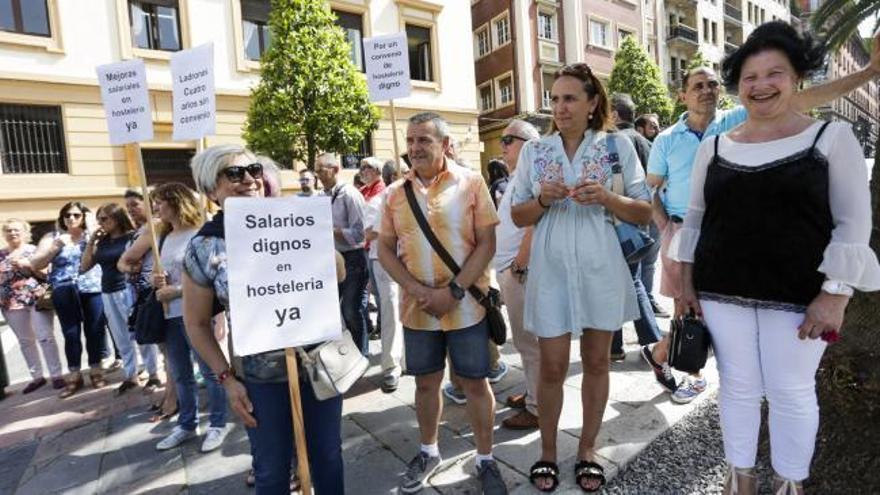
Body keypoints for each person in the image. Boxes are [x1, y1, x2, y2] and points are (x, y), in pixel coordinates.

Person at [676, 22, 880, 494]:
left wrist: (835, 296)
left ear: (797, 79)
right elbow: (696, 218)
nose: (761, 85)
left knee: (791, 393)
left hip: (801, 297)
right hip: (721, 292)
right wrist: (685, 285)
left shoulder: (831, 138)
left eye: (775, 73)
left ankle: (790, 485)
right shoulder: (715, 146)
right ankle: (740, 480)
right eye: (750, 76)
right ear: (738, 84)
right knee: (737, 388)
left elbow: (854, 224)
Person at [510, 63, 652, 492]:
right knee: (551, 366)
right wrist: (542, 199)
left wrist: (608, 196)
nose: (560, 107)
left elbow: (645, 211)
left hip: (600, 266)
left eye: (570, 98)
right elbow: (517, 214)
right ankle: (548, 452)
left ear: (593, 104)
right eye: (554, 99)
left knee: (595, 361)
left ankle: (587, 448)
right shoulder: (536, 152)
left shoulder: (616, 147)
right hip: (551, 266)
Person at [182, 144, 345, 494]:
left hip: (320, 365)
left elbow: (340, 273)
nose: (249, 180)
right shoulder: (205, 246)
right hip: (260, 378)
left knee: (328, 460)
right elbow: (195, 324)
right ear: (212, 190)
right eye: (235, 174)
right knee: (271, 472)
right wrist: (226, 380)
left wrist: (309, 236)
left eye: (254, 170)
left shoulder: (293, 217)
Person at [378, 112, 507, 494]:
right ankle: (429, 451)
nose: (415, 148)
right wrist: (419, 291)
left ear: (445, 144)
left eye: (424, 140)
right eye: (411, 140)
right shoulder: (393, 194)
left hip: (466, 305)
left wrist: (452, 292)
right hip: (418, 310)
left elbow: (487, 243)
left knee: (475, 383)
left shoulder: (471, 182)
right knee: (425, 383)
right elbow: (384, 250)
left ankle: (485, 459)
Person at [122, 183, 228, 453]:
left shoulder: (200, 235)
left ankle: (217, 424)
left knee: (210, 371)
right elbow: (152, 272)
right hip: (168, 316)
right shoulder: (162, 237)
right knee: (180, 373)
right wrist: (154, 280)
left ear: (176, 202)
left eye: (160, 202)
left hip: (196, 315)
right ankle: (187, 423)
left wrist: (177, 290)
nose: (155, 208)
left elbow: (210, 279)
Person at [17, 202, 108, 398]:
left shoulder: (92, 234)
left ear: (83, 217)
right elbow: (35, 264)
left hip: (91, 287)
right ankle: (74, 375)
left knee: (95, 331)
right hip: (63, 289)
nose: (71, 219)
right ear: (62, 218)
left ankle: (96, 370)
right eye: (67, 215)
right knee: (71, 333)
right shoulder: (52, 237)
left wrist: (91, 230)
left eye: (76, 215)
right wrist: (56, 247)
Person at [81, 203, 160, 395]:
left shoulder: (132, 236)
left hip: (128, 289)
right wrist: (91, 242)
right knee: (120, 336)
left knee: (141, 333)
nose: (100, 223)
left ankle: (153, 374)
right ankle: (130, 374)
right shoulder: (103, 242)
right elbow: (84, 267)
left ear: (117, 218)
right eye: (98, 219)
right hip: (107, 291)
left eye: (104, 218)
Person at [493, 119, 542, 430]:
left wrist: (520, 264)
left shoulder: (531, 173)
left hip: (520, 270)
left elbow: (535, 223)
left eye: (508, 139)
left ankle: (537, 408)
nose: (503, 145)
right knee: (525, 343)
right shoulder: (519, 175)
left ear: (527, 143)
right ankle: (532, 393)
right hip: (511, 268)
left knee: (529, 343)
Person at [608, 94, 664, 361]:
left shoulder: (615, 141)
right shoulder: (646, 142)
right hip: (648, 218)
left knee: (626, 282)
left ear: (616, 115)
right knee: (632, 279)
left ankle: (648, 342)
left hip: (621, 221)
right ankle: (619, 345)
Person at [122, 189, 177, 411]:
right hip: (148, 295)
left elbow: (126, 260)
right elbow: (123, 262)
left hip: (165, 292)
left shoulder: (157, 227)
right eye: (128, 207)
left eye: (135, 204)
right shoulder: (143, 231)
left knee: (173, 352)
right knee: (168, 351)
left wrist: (128, 265)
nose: (131, 210)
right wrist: (129, 268)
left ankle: (173, 398)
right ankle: (171, 397)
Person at [315, 152, 370, 356]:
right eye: (316, 170)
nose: (318, 174)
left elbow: (360, 233)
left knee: (351, 310)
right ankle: (344, 355)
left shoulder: (350, 194)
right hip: (331, 258)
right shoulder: (321, 196)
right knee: (333, 311)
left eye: (322, 170)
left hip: (353, 258)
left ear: (335, 169)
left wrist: (332, 231)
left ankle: (361, 354)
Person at [0, 219, 65, 393]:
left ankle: (56, 375)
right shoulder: (1, 255)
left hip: (36, 297)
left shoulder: (34, 250)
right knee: (25, 341)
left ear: (25, 232)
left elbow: (46, 274)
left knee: (46, 337)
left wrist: (28, 264)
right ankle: (37, 377)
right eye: (8, 230)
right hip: (10, 302)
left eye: (16, 230)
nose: (12, 233)